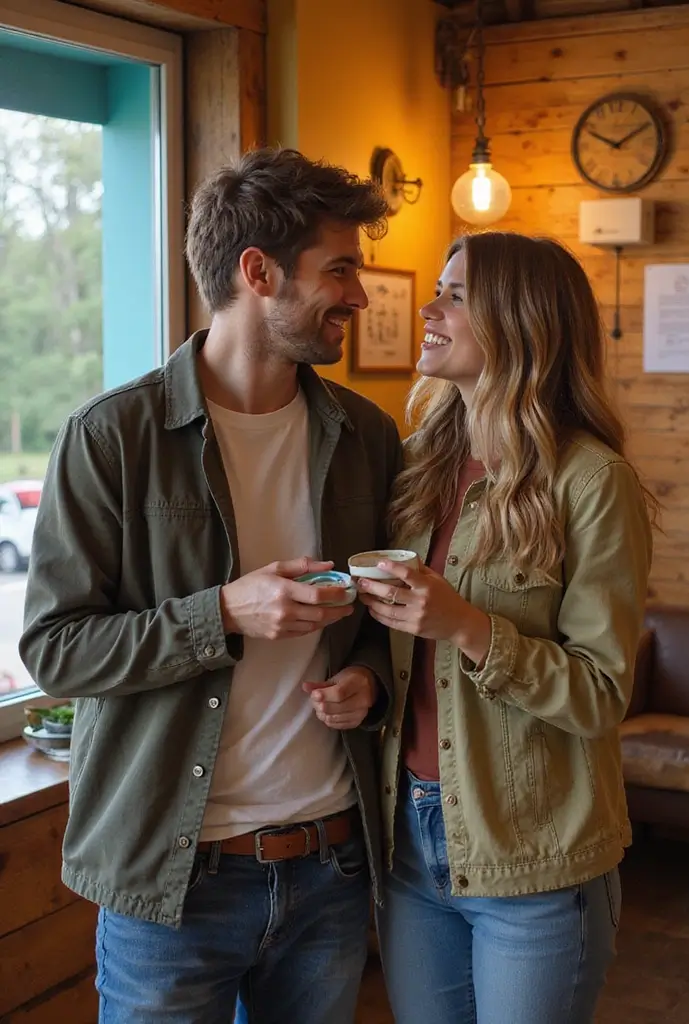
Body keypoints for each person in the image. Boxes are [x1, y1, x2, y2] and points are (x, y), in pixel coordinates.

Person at [20, 147, 403, 1024]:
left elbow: (386, 619)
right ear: (258, 272)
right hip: (174, 881)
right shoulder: (112, 437)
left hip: (332, 868)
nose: (361, 294)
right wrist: (222, 612)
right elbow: (54, 648)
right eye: (339, 268)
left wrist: (373, 680)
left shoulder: (369, 437)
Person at [357, 231, 654, 1024]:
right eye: (439, 291)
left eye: (455, 295)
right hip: (410, 843)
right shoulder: (417, 464)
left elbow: (600, 693)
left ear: (521, 321)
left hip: (537, 857)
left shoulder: (592, 481)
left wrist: (470, 626)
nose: (430, 308)